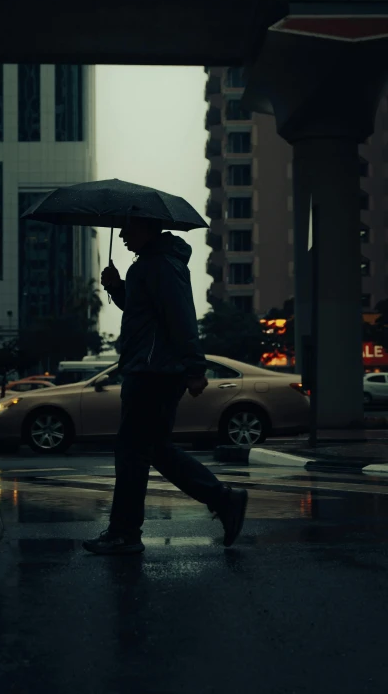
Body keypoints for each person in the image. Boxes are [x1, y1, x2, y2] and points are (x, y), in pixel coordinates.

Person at [83, 217, 247, 555]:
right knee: (152, 448)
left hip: (153, 372)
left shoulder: (160, 265)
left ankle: (125, 532)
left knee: (132, 450)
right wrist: (117, 288)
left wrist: (195, 367)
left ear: (147, 228)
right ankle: (223, 500)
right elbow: (145, 311)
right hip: (147, 369)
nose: (124, 234)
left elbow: (180, 315)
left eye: (128, 228)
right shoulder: (149, 265)